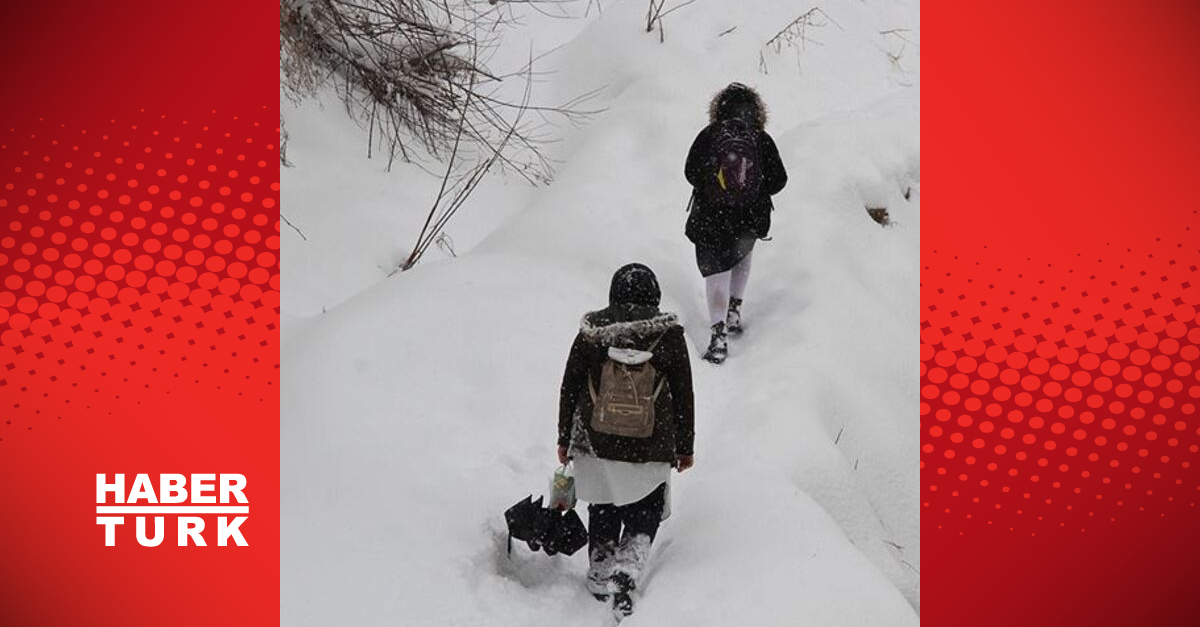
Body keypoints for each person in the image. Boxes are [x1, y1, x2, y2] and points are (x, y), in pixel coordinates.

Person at [557, 263, 695, 620]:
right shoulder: (669, 335)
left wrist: (563, 438)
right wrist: (685, 446)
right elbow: (683, 394)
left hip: (595, 439)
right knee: (645, 506)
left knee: (603, 502)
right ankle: (628, 568)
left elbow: (570, 386)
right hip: (650, 442)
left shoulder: (592, 333)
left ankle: (601, 568)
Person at [684, 82, 788, 364]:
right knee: (742, 253)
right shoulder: (761, 139)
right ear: (756, 111)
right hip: (748, 218)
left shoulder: (709, 135)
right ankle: (734, 309)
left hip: (710, 218)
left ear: (718, 109)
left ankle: (718, 334)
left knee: (716, 271)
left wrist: (714, 186)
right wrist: (752, 190)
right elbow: (779, 180)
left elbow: (690, 172)